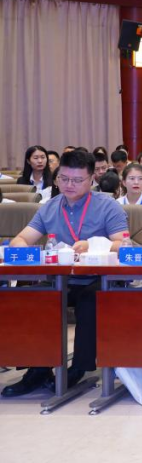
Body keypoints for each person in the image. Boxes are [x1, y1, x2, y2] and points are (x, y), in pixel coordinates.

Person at [0, 150, 129, 398]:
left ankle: (79, 367)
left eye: (77, 180)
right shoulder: (50, 207)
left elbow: (123, 246)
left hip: (98, 279)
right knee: (31, 298)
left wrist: (93, 244)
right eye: (64, 178)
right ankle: (38, 369)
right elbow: (20, 239)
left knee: (90, 301)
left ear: (91, 179)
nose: (69, 185)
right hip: (61, 278)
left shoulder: (107, 206)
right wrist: (23, 249)